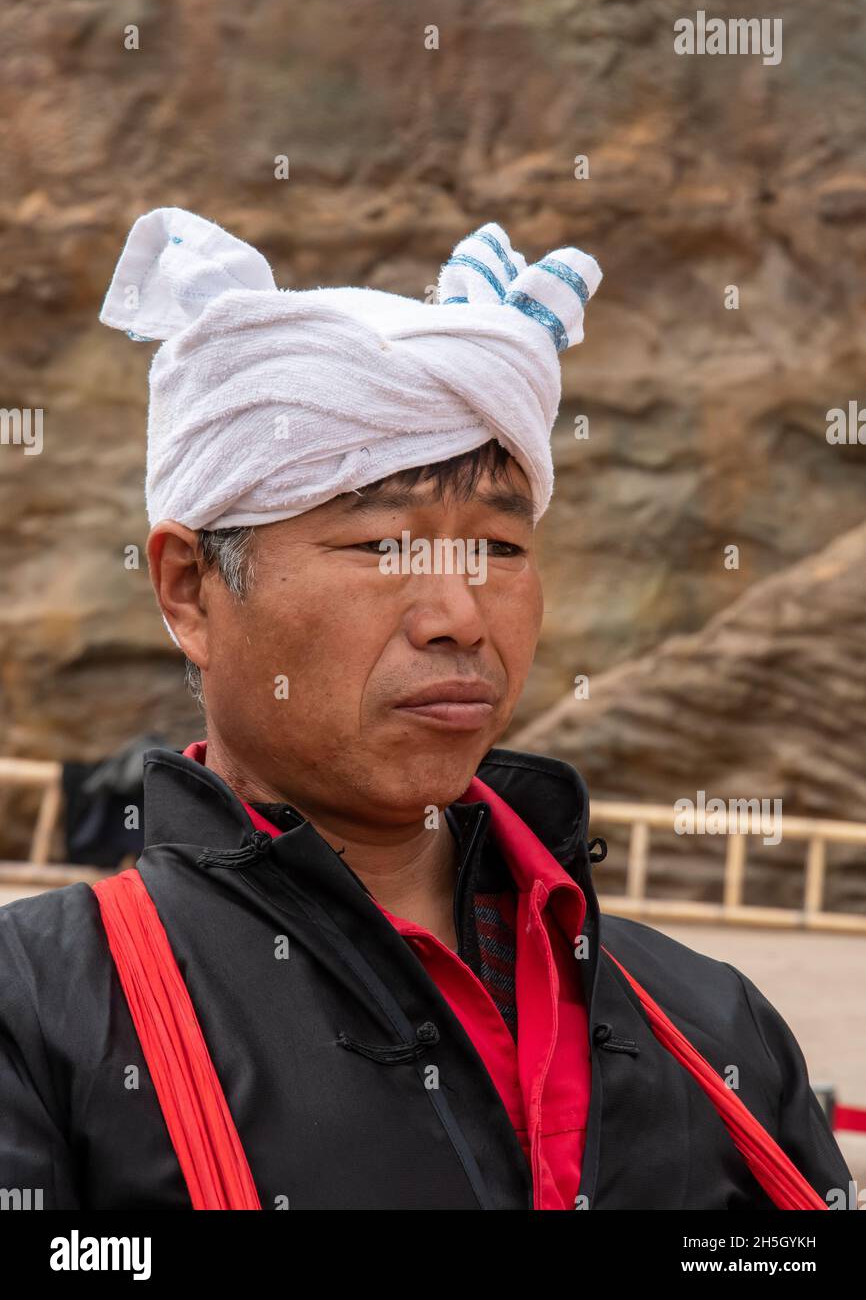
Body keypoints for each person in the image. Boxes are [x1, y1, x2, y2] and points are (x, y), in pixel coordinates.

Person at [0, 209, 852, 1210]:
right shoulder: (45, 1020)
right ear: (190, 588)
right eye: (380, 548)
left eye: (499, 548)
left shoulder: (710, 1027)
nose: (458, 615)